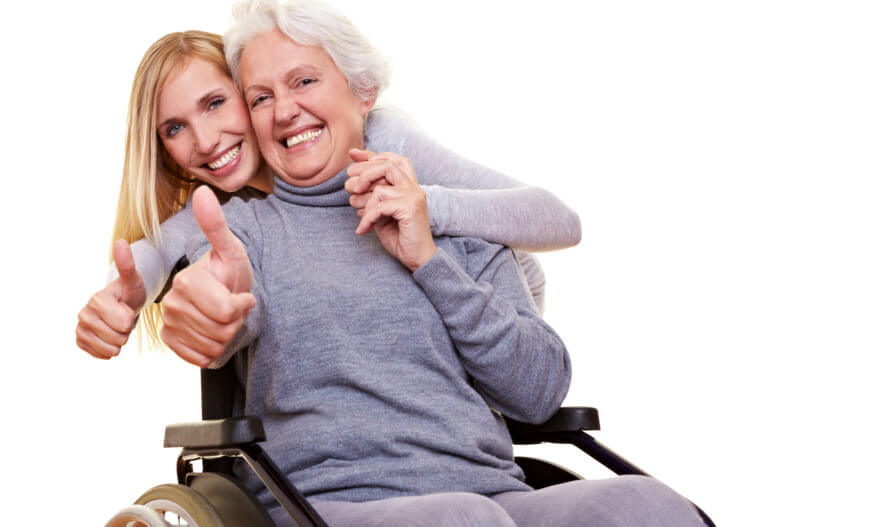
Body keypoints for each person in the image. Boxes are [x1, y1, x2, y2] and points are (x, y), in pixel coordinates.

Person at [159, 1, 707, 526]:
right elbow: (221, 302)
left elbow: (539, 393)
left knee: (646, 505)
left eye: (304, 81)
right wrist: (212, 308)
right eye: (259, 98)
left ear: (363, 91)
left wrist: (429, 260)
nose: (284, 110)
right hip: (323, 501)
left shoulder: (463, 222)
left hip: (492, 491)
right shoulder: (244, 235)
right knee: (463, 519)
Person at [74, 30, 581, 360]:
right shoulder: (224, 214)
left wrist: (426, 202)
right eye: (175, 128)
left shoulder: (378, 138)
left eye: (215, 104)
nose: (205, 141)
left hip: (496, 311)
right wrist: (125, 294)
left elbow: (559, 221)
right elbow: (158, 249)